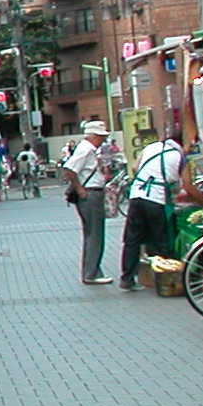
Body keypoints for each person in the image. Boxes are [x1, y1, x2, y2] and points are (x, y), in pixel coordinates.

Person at [119, 127, 186, 290]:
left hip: (136, 195)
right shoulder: (179, 156)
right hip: (156, 199)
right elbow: (181, 184)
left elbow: (135, 168)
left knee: (132, 239)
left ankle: (127, 278)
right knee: (160, 239)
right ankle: (163, 279)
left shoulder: (152, 147)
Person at [62, 118, 116, 285]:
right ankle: (91, 273)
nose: (103, 140)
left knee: (91, 233)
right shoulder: (86, 149)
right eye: (100, 136)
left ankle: (92, 270)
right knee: (95, 234)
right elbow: (69, 169)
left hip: (92, 193)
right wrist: (80, 189)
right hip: (90, 194)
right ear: (92, 136)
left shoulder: (89, 149)